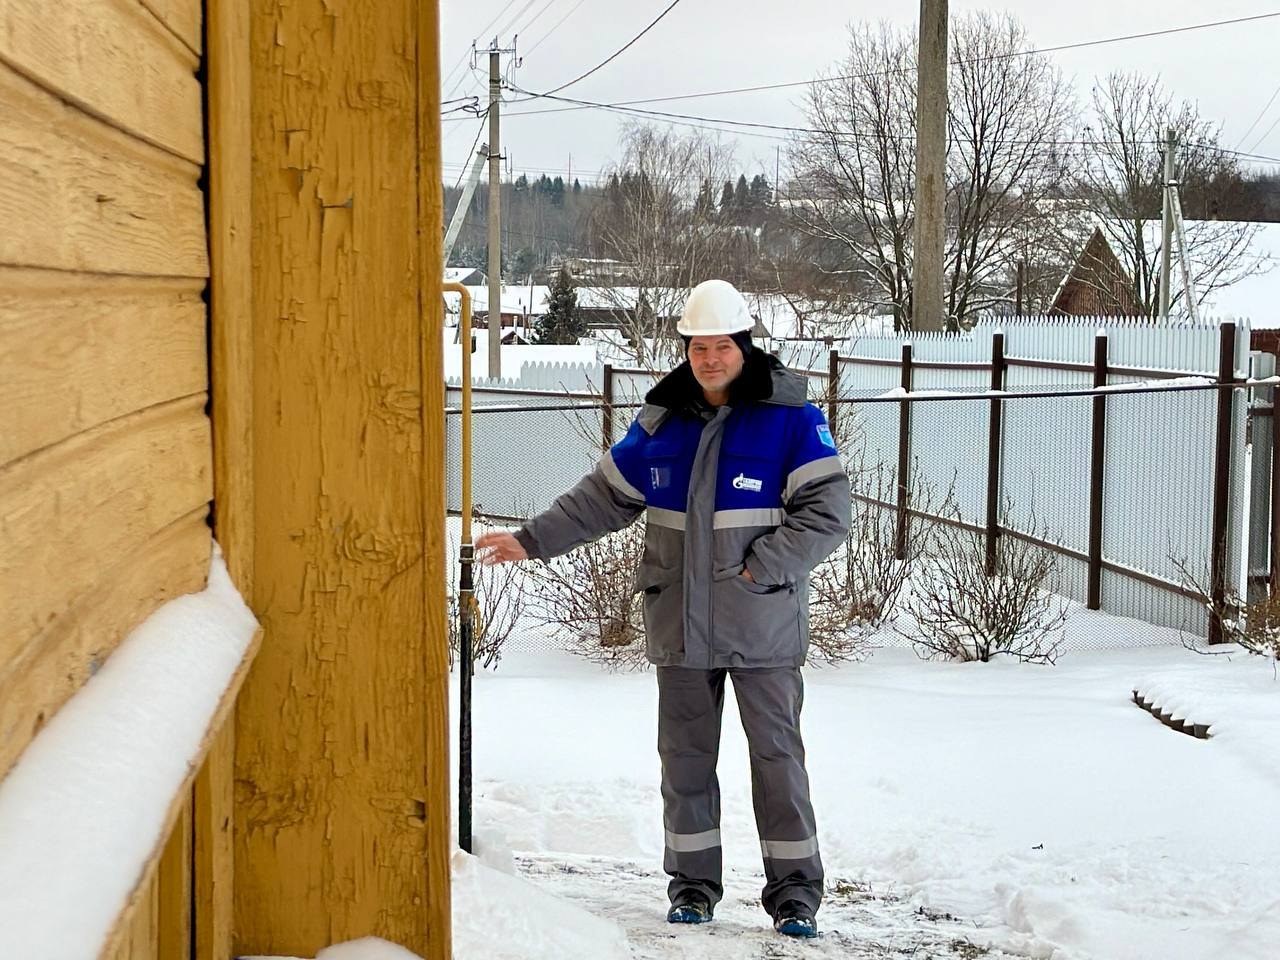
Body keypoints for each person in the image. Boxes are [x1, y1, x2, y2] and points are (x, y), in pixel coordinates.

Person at [476, 279, 851, 939]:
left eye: (721, 347)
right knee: (684, 759)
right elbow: (600, 498)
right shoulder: (661, 422)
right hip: (679, 621)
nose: (709, 359)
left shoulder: (790, 418)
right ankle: (693, 888)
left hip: (759, 621)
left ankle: (795, 895)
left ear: (744, 346)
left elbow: (827, 513)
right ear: (686, 349)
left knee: (776, 759)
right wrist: (529, 540)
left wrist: (764, 565)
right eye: (698, 347)